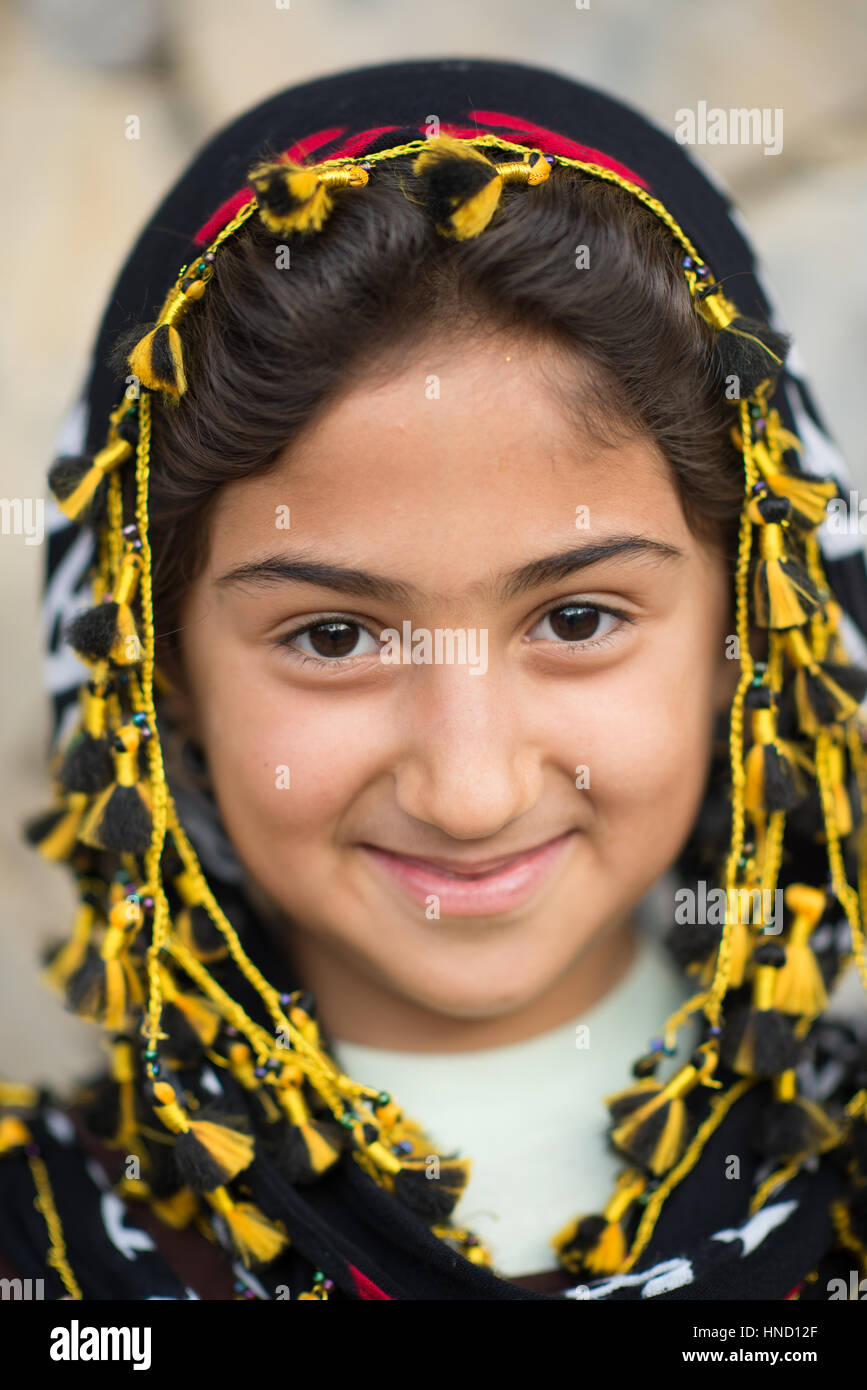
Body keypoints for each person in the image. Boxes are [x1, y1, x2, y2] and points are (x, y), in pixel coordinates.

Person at [2, 56, 867, 1302]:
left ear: (750, 627)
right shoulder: (43, 1256)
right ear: (156, 671)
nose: (469, 792)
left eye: (576, 616)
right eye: (335, 638)